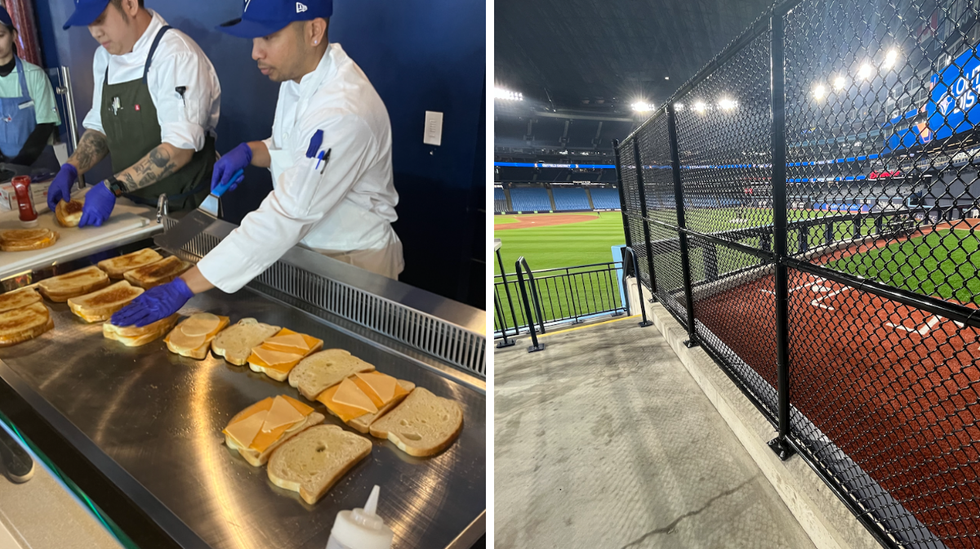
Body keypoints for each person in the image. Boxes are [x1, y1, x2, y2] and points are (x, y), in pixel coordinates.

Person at [112, 0, 403, 329]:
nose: (255, 53)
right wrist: (251, 151)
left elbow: (287, 214)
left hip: (354, 263)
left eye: (268, 37)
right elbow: (294, 147)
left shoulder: (344, 111)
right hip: (308, 250)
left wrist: (184, 286)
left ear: (314, 30)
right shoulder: (300, 78)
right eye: (253, 39)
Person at [47, 0, 220, 227]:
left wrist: (114, 187)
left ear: (129, 4)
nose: (95, 33)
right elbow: (101, 129)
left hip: (182, 212)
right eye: (89, 24)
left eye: (99, 20)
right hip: (129, 210)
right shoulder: (104, 58)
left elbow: (179, 149)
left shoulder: (176, 56)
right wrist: (71, 168)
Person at [0, 7, 61, 166]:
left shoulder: (35, 75)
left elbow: (45, 125)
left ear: (13, 35)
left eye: (0, 35)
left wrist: (19, 166)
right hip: (5, 168)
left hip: (39, 164)